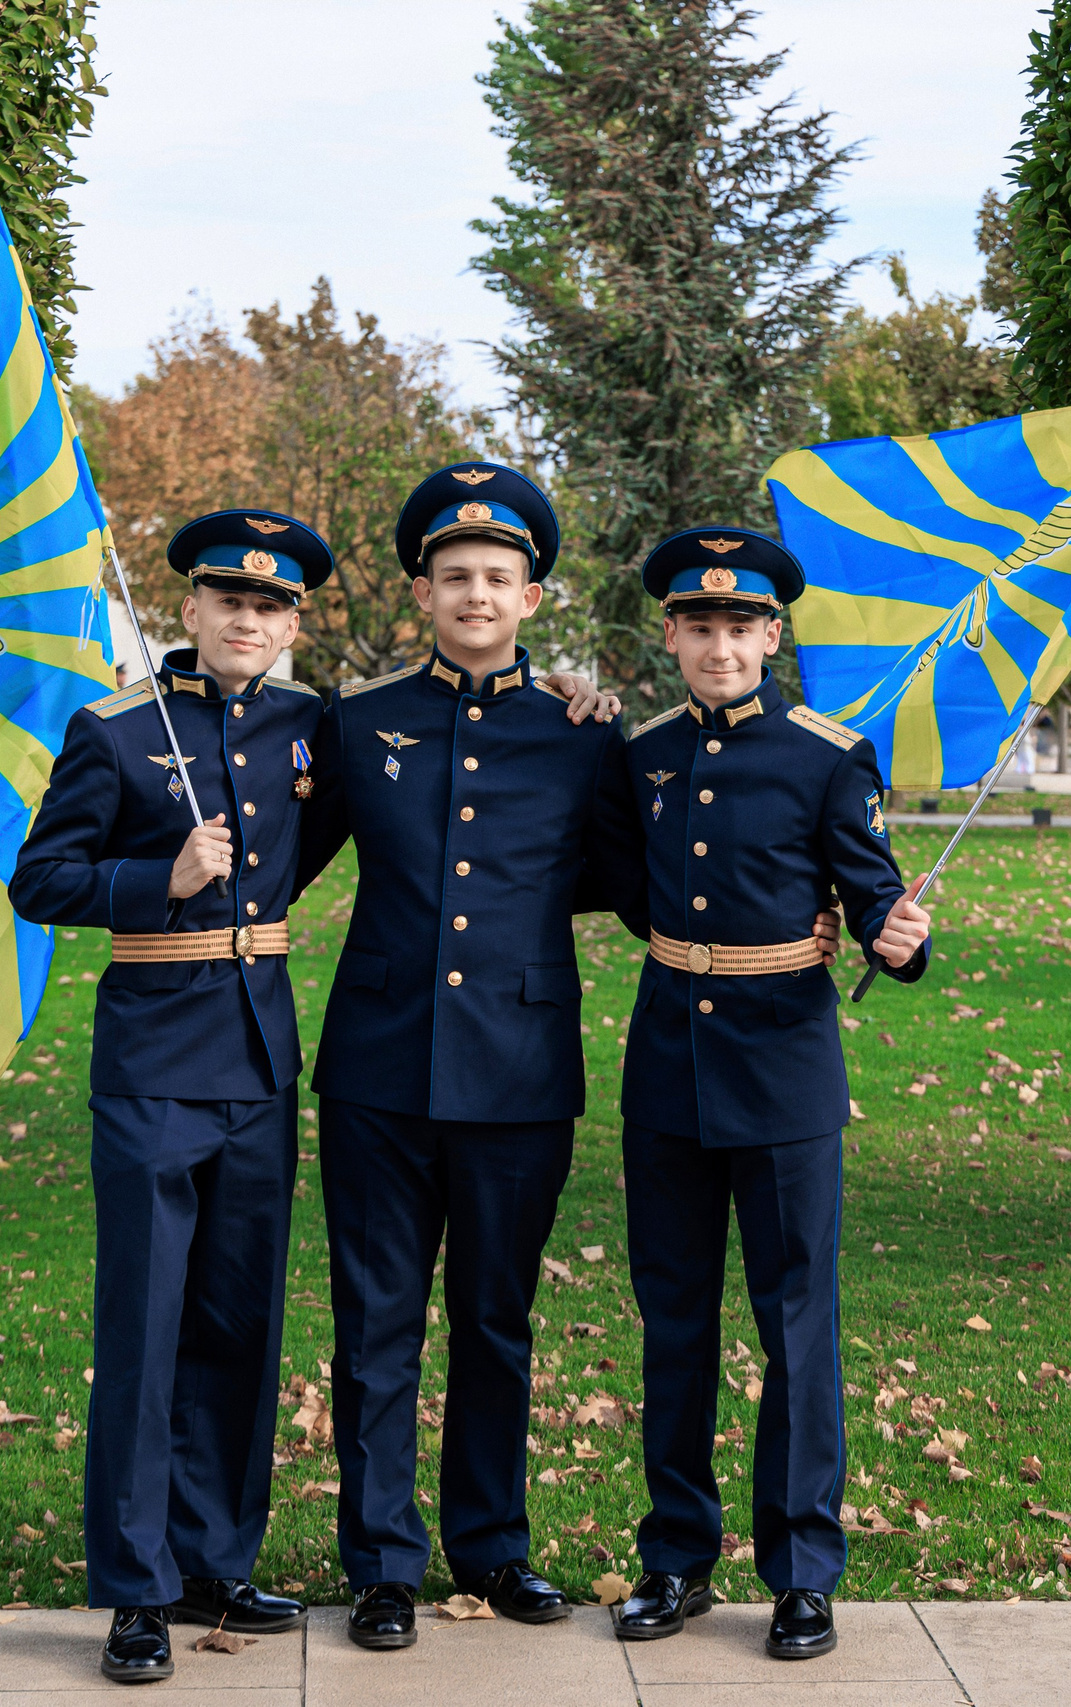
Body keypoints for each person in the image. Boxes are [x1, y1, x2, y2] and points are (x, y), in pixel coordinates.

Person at [294, 462, 637, 1649]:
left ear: (532, 598)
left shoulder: (585, 734)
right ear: (424, 593)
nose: (476, 594)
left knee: (496, 1319)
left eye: (498, 577)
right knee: (375, 1321)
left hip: (518, 1069)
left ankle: (492, 1549)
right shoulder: (358, 722)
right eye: (455, 578)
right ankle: (383, 1562)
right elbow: (272, 859)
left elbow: (634, 885)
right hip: (380, 1071)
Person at [8, 510, 334, 1686]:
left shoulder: (311, 730)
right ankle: (137, 1591)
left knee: (239, 1327)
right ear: (188, 610)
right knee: (146, 1328)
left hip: (258, 1058)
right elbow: (39, 878)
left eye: (271, 607)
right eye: (227, 601)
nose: (248, 620)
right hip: (152, 1060)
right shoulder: (113, 731)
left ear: (293, 623)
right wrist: (162, 877)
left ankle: (217, 1561)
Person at [604, 526, 932, 1662]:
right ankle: (676, 1559)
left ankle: (801, 1572)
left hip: (786, 1069)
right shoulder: (640, 752)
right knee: (674, 1324)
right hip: (667, 1073)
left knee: (796, 1326)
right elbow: (604, 870)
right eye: (699, 626)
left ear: (772, 634)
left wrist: (898, 941)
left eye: (741, 626)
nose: (720, 644)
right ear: (671, 636)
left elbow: (879, 903)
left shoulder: (826, 755)